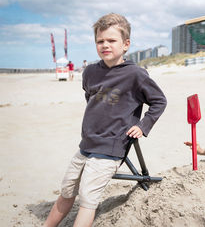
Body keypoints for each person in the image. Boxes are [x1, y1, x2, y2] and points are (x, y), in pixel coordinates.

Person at [44, 13, 167, 227]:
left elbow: (159, 101)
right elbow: (89, 98)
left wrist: (142, 125)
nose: (105, 45)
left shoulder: (136, 74)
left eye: (111, 40)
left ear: (126, 44)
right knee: (66, 191)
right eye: (100, 41)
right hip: (87, 143)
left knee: (87, 200)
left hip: (112, 146)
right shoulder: (90, 72)